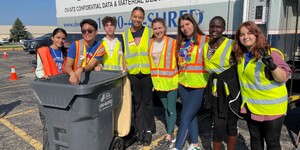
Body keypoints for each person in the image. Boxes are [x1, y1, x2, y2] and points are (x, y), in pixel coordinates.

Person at [232, 21, 291, 150]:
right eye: (242, 34)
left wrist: (273, 67)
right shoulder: (241, 56)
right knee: (255, 140)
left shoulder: (271, 53)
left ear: (257, 34)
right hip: (252, 107)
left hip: (272, 109)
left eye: (249, 33)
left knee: (272, 142)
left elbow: (284, 77)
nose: (245, 37)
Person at [203, 16, 241, 150]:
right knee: (218, 126)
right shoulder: (206, 45)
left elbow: (241, 66)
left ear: (224, 29)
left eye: (218, 27)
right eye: (212, 26)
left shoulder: (232, 44)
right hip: (215, 92)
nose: (214, 29)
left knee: (231, 125)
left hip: (230, 91)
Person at [173, 13, 209, 150]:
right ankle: (194, 145)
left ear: (193, 24)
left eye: (187, 24)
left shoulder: (205, 40)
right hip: (183, 84)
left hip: (198, 85)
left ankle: (177, 147)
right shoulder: (180, 43)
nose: (185, 28)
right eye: (182, 26)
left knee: (184, 116)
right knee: (191, 116)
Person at [122, 6, 155, 146]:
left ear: (143, 18)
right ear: (131, 17)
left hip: (147, 73)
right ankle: (139, 130)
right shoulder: (124, 35)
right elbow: (123, 55)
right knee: (137, 103)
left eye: (140, 17)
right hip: (133, 74)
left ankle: (147, 131)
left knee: (147, 102)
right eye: (135, 16)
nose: (137, 19)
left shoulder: (149, 32)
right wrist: (125, 71)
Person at [35, 28, 68, 150]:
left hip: (61, 92)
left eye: (63, 38)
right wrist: (42, 76)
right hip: (47, 91)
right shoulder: (43, 51)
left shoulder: (64, 53)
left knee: (61, 124)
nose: (61, 40)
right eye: (58, 37)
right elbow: (39, 71)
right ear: (52, 38)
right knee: (48, 125)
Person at [148, 17, 178, 150]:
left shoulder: (173, 42)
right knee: (165, 108)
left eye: (160, 28)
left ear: (165, 28)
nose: (158, 30)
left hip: (171, 81)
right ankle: (170, 132)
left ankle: (169, 136)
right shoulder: (151, 42)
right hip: (159, 82)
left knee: (171, 109)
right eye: (155, 28)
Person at [64, 19, 106, 85]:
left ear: (96, 32)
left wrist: (81, 70)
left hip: (91, 80)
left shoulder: (100, 47)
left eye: (89, 31)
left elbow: (91, 65)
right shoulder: (75, 45)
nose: (86, 33)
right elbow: (67, 66)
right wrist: (72, 74)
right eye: (84, 31)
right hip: (75, 80)